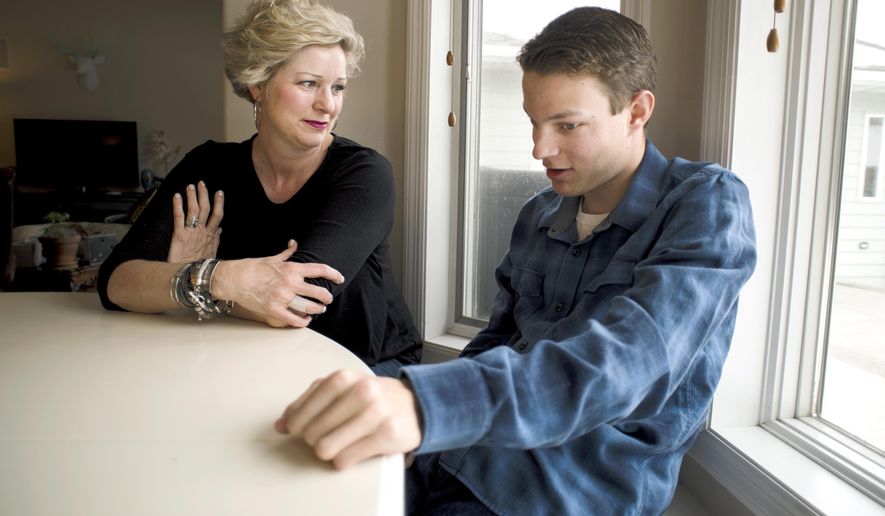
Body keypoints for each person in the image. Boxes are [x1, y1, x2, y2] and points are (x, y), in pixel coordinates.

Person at [273, 6, 758, 515]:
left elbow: (624, 365)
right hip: (462, 453)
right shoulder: (540, 213)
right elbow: (497, 340)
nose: (539, 149)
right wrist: (420, 429)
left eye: (567, 125)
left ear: (636, 111)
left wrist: (426, 405)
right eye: (534, 122)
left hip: (567, 490)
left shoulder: (706, 203)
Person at [97, 0, 422, 374]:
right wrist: (221, 278)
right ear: (257, 84)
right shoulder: (209, 165)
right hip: (247, 359)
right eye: (308, 83)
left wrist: (190, 278)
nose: (327, 104)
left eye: (338, 87)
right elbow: (116, 283)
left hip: (364, 371)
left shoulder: (364, 174)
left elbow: (294, 304)